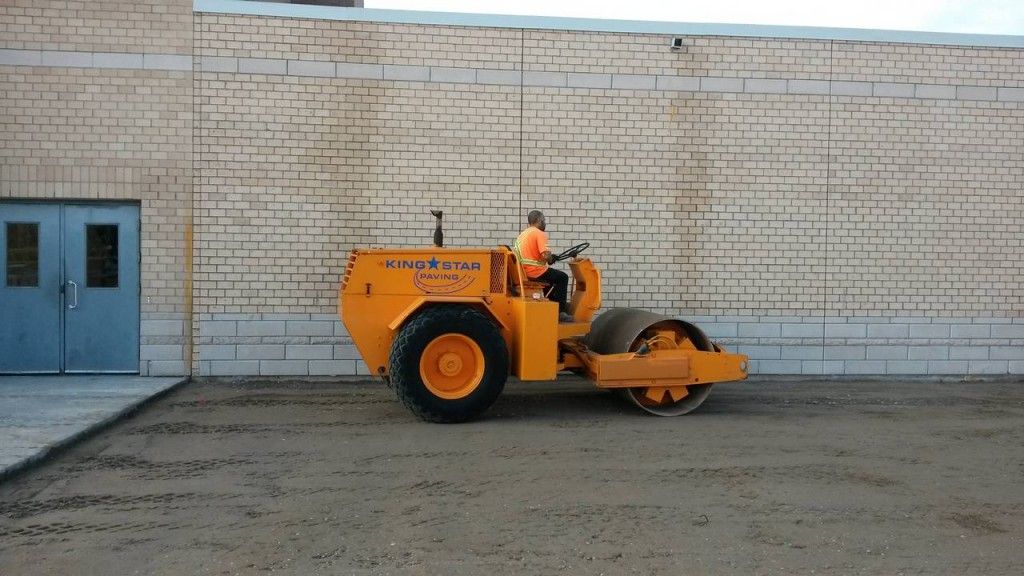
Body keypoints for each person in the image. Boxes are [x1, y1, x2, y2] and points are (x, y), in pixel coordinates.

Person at [513, 210, 573, 322]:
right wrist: (551, 258)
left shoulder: (523, 235)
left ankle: (550, 309)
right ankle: (560, 313)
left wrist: (551, 258)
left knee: (551, 281)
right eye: (544, 220)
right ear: (538, 220)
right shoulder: (539, 233)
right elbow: (546, 255)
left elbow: (532, 254)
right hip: (535, 271)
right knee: (562, 277)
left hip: (524, 272)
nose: (545, 223)